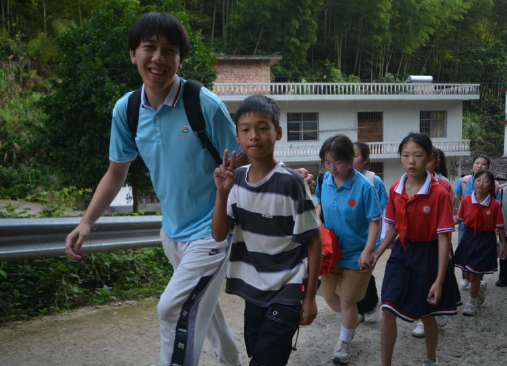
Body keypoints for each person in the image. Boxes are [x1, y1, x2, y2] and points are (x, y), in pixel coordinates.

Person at [64, 13, 317, 366]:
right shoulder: (128, 110)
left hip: (212, 231)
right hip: (172, 232)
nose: (158, 59)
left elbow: (248, 152)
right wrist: (86, 222)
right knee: (204, 311)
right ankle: (231, 360)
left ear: (180, 59)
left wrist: (288, 175)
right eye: (149, 48)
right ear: (133, 54)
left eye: (169, 51)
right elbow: (115, 172)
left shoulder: (202, 104)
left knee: (172, 309)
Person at [211, 95, 322, 366]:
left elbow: (314, 241)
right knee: (259, 354)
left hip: (288, 288)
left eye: (262, 128)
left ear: (278, 132)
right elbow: (218, 234)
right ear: (237, 137)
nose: (254, 136)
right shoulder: (234, 180)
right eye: (245, 129)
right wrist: (221, 195)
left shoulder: (291, 182)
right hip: (254, 290)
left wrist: (309, 299)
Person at [370, 133, 458, 366]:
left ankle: (431, 358)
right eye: (406, 155)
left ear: (430, 158)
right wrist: (378, 252)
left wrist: (439, 280)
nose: (411, 161)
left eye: (418, 156)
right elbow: (395, 227)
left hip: (429, 256)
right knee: (387, 307)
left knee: (427, 314)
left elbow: (444, 238)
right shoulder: (396, 188)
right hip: (401, 253)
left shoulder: (439, 193)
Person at [316, 135, 382, 365]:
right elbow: (319, 203)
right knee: (328, 295)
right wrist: (317, 222)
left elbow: (375, 220)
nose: (333, 168)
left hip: (356, 254)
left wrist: (368, 250)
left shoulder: (364, 186)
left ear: (350, 159)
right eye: (327, 162)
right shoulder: (324, 179)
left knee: (346, 301)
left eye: (338, 162)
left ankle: (344, 342)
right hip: (330, 252)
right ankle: (352, 318)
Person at [411, 148, 459, 336]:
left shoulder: (444, 185)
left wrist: (446, 249)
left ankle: (439, 310)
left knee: (440, 276)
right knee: (419, 279)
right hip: (417, 242)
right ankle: (423, 317)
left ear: (435, 162)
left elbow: (446, 220)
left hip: (438, 241)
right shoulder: (408, 183)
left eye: (424, 158)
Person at [453, 170, 506, 316]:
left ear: (491, 186)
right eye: (478, 180)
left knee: (474, 272)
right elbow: (459, 219)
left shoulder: (494, 204)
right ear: (473, 182)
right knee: (467, 273)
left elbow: (500, 226)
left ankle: (471, 303)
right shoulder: (466, 200)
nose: (480, 184)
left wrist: (502, 245)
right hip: (469, 238)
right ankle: (480, 288)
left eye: (485, 181)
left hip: (486, 240)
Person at [352, 141, 388, 323]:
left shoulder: (373, 180)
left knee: (363, 270)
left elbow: (384, 209)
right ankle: (359, 307)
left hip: (368, 237)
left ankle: (370, 303)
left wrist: (383, 236)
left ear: (365, 159)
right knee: (352, 271)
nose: (351, 159)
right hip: (349, 236)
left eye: (355, 155)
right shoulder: (338, 179)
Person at [453, 154, 500, 289]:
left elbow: (495, 205)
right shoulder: (464, 180)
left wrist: (497, 235)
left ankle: (477, 278)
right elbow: (457, 198)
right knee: (465, 250)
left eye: (483, 164)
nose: (479, 166)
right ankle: (466, 276)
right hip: (465, 224)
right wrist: (455, 213)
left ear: (488, 167)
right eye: (477, 163)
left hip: (484, 227)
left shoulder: (494, 185)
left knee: (480, 254)